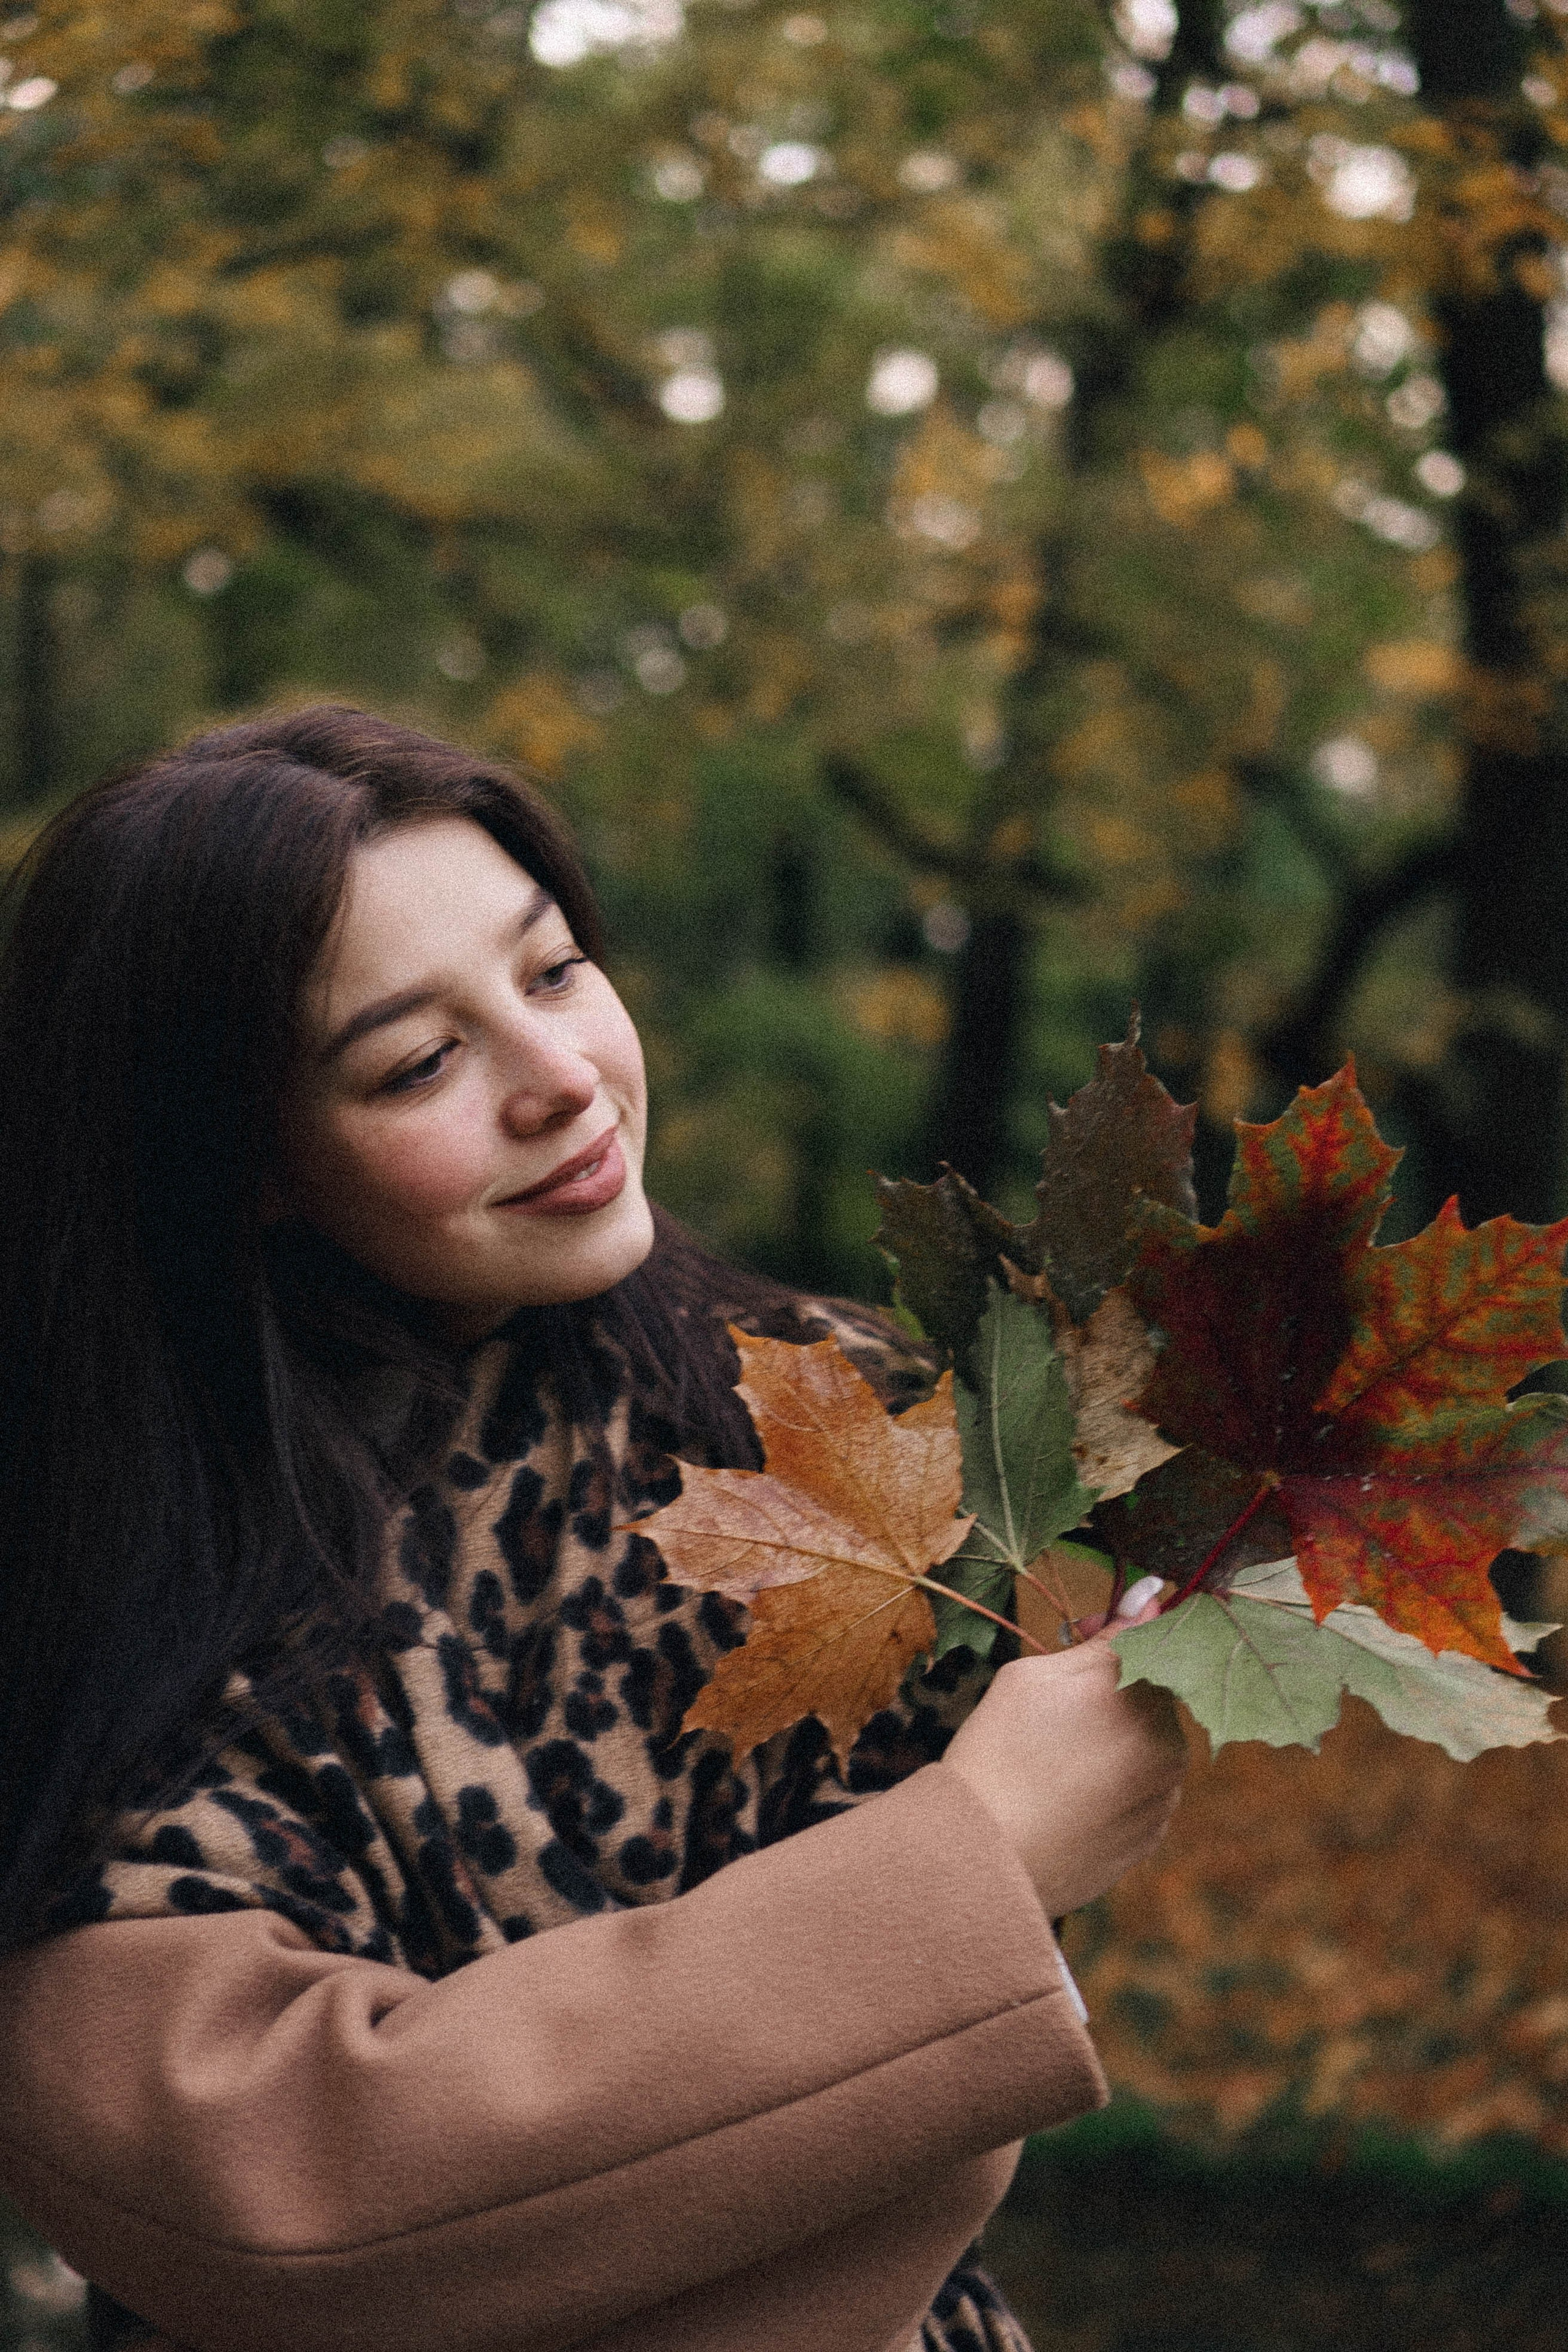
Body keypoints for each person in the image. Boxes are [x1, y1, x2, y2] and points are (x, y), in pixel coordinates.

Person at [0, 706, 1185, 2352]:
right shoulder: (115, 1583)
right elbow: (281, 2201)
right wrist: (975, 1864)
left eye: (553, 972)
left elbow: (931, 2143)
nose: (562, 1081)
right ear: (238, 1160)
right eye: (420, 1061)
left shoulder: (831, 1416)